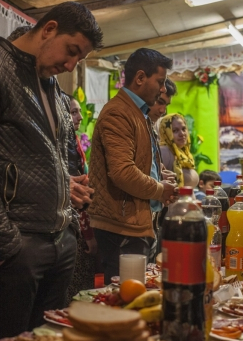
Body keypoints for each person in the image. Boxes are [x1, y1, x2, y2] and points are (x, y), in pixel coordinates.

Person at [0, 1, 103, 341]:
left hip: (59, 242)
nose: (70, 65)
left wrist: (66, 184)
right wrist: (7, 246)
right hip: (16, 249)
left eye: (79, 60)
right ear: (48, 29)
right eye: (72, 51)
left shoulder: (52, 88)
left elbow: (58, 153)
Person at [88, 48, 177, 284]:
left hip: (136, 222)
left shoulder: (139, 113)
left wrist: (162, 175)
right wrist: (160, 189)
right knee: (124, 300)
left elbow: (141, 162)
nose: (162, 89)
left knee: (136, 296)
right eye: (160, 82)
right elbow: (122, 172)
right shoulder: (119, 112)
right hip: (121, 227)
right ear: (139, 78)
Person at [64, 94, 97, 303]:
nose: (79, 117)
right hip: (72, 224)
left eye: (79, 112)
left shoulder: (73, 142)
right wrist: (87, 233)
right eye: (73, 112)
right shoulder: (66, 147)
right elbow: (75, 195)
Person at [159, 113, 199, 188]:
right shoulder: (164, 151)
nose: (182, 134)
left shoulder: (185, 154)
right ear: (166, 133)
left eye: (184, 129)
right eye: (175, 131)